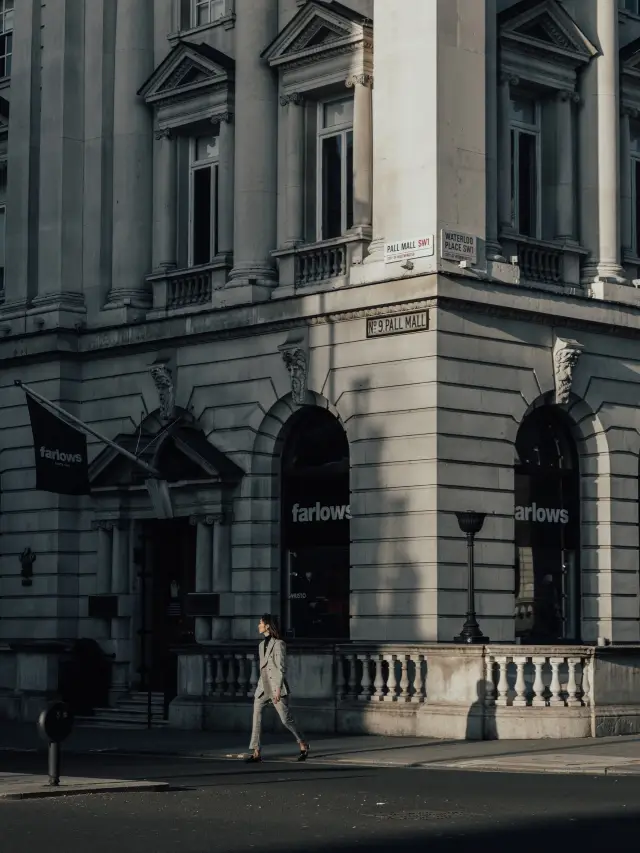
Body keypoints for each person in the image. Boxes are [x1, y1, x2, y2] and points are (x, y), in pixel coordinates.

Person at [245, 613, 309, 763]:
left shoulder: (279, 643)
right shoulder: (261, 645)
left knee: (286, 719)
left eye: (260, 623)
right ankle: (256, 752)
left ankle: (303, 743)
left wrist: (279, 689)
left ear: (267, 625)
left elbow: (280, 668)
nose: (258, 626)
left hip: (276, 687)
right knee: (256, 718)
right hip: (263, 687)